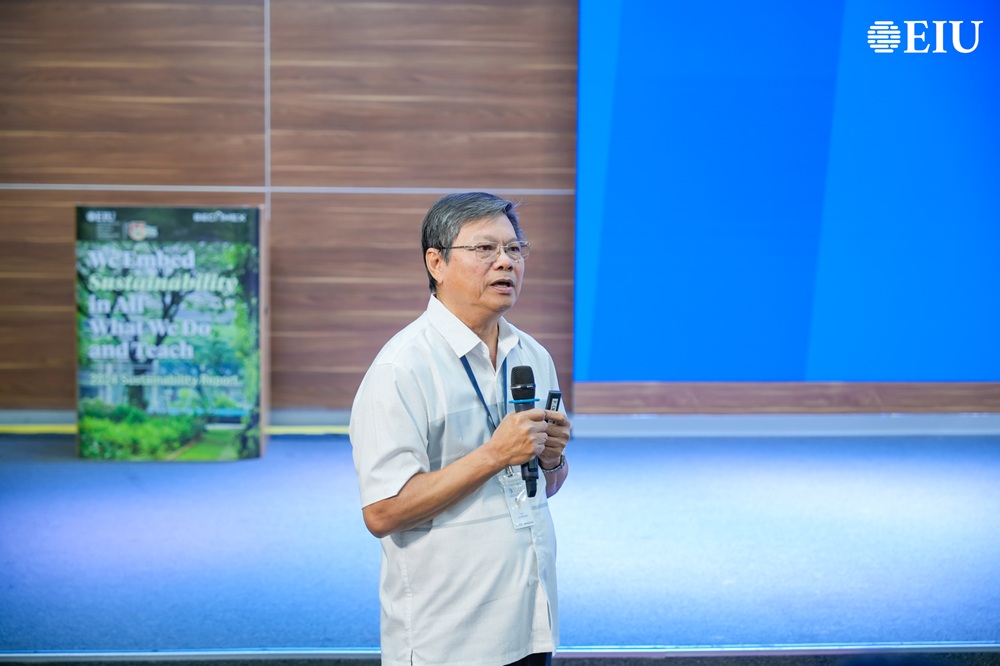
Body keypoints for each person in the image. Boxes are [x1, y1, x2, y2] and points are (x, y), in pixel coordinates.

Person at [349, 191, 572, 666]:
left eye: (514, 249)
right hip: (449, 639)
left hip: (530, 622)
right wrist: (494, 454)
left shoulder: (533, 356)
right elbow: (382, 512)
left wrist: (552, 460)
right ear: (436, 263)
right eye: (485, 249)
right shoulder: (402, 368)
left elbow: (542, 486)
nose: (505, 262)